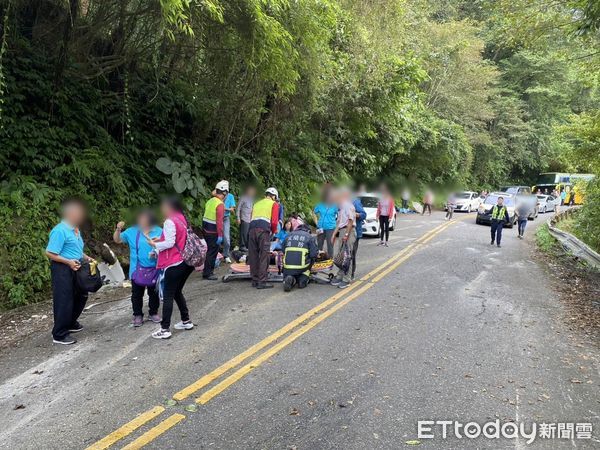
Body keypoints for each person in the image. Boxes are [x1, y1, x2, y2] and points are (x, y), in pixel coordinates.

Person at [46, 199, 94, 345]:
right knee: (64, 300)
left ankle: (71, 322)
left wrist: (86, 257)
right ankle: (59, 334)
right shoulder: (60, 230)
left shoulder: (75, 229)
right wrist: (68, 262)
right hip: (63, 268)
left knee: (81, 294)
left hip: (77, 266)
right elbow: (50, 252)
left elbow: (76, 249)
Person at [147, 197, 194, 339]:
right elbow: (177, 239)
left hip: (174, 263)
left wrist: (154, 244)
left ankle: (165, 329)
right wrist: (159, 241)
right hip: (186, 262)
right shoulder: (181, 217)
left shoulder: (169, 221)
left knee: (168, 295)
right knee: (177, 292)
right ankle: (186, 321)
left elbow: (170, 243)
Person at [113, 210, 162, 326]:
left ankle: (153, 312)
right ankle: (137, 315)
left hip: (155, 268)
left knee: (154, 293)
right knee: (136, 294)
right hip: (136, 269)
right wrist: (118, 229)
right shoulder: (131, 231)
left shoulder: (159, 231)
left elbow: (166, 246)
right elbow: (117, 240)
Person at [248, 187, 280, 289]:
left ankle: (255, 280)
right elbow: (274, 221)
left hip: (252, 230)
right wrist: (274, 231)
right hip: (263, 231)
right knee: (263, 256)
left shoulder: (257, 203)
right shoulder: (274, 204)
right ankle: (262, 281)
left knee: (253, 255)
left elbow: (251, 218)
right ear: (274, 196)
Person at [331, 188, 356, 289]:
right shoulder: (341, 207)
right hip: (342, 230)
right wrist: (334, 235)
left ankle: (347, 278)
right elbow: (339, 223)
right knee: (340, 255)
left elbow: (350, 221)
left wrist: (346, 235)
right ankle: (340, 275)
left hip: (348, 231)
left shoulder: (347, 205)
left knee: (347, 256)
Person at [282, 224, 319, 292]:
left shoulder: (289, 235)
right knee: (311, 258)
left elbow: (283, 250)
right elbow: (313, 254)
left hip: (287, 267)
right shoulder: (309, 237)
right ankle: (302, 280)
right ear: (308, 230)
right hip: (302, 267)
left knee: (290, 270)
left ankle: (291, 279)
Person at [202, 182, 226, 280]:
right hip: (213, 232)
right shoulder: (220, 204)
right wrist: (220, 235)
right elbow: (219, 222)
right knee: (212, 252)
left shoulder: (210, 201)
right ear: (224, 193)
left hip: (205, 229)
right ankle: (208, 273)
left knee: (209, 251)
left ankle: (206, 271)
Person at [312, 189, 338, 258]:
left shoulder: (335, 206)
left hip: (331, 228)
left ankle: (330, 259)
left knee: (330, 244)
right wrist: (316, 222)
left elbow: (340, 215)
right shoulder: (320, 205)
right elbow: (314, 213)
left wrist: (337, 224)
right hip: (320, 228)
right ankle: (319, 258)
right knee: (319, 244)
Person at [351, 194, 367, 281]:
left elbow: (364, 215)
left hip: (355, 232)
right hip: (345, 232)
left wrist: (355, 214)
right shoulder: (341, 203)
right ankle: (343, 272)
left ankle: (351, 273)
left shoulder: (355, 202)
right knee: (344, 254)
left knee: (352, 254)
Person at [236, 185, 255, 252]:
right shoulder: (243, 198)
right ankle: (242, 246)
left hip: (250, 219)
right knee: (243, 233)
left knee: (248, 234)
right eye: (251, 191)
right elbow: (238, 208)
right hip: (244, 218)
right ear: (247, 191)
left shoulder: (252, 200)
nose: (252, 193)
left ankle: (247, 246)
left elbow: (252, 209)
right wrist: (238, 218)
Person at [222, 182, 236, 264]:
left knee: (226, 238)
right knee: (215, 238)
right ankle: (216, 255)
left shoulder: (230, 196)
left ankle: (226, 255)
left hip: (225, 218)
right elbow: (212, 193)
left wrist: (224, 208)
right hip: (216, 218)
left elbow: (232, 209)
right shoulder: (218, 195)